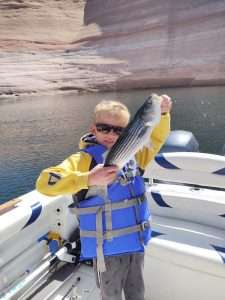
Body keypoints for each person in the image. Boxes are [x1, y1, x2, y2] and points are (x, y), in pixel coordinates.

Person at [36, 95, 172, 300]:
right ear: (93, 129)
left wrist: (162, 114)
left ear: (128, 132)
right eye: (104, 128)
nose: (111, 134)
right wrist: (88, 178)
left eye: (119, 130)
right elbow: (44, 183)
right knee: (111, 295)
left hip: (136, 244)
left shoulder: (135, 156)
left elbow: (156, 138)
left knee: (138, 293)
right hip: (107, 251)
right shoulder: (82, 160)